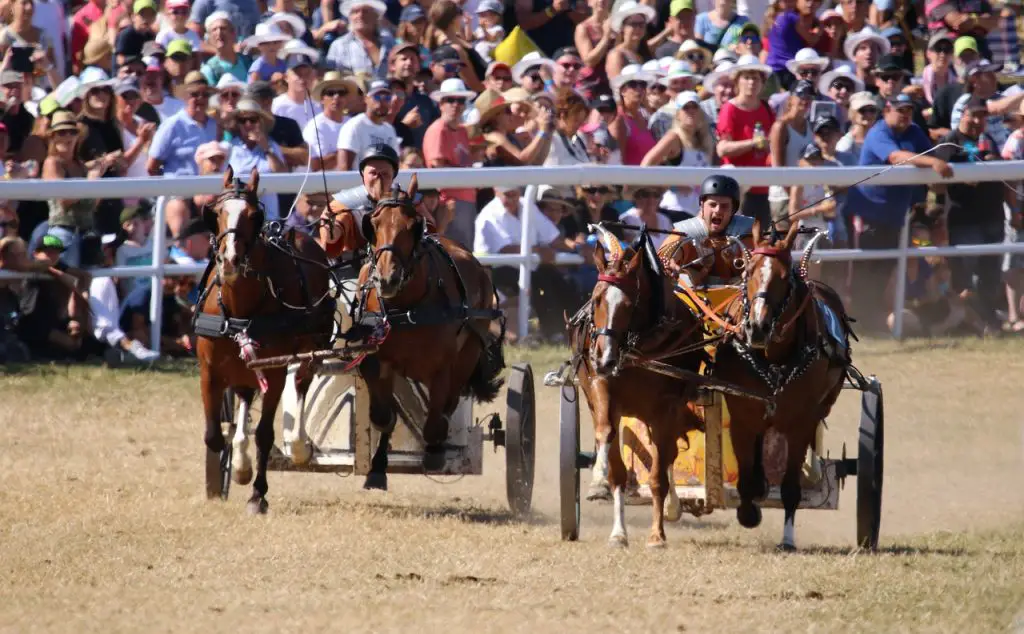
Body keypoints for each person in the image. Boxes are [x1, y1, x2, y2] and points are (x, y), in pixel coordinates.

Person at [318, 143, 434, 258]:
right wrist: (330, 230)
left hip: (399, 267)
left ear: (393, 175)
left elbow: (431, 233)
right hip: (354, 269)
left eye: (385, 174)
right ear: (363, 174)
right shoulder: (344, 204)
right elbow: (332, 239)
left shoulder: (408, 202)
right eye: (373, 173)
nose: (379, 179)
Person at [661, 174, 755, 287]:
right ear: (702, 205)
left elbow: (760, 263)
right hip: (693, 299)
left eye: (724, 206)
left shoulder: (748, 231)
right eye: (712, 204)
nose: (718, 210)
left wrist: (749, 271)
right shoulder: (684, 232)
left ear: (733, 209)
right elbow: (664, 258)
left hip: (738, 298)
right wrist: (670, 265)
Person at [336, 80, 400, 171]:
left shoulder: (389, 129)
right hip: (358, 184)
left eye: (387, 98)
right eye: (377, 97)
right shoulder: (354, 126)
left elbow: (395, 164)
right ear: (366, 99)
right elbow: (344, 167)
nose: (382, 102)